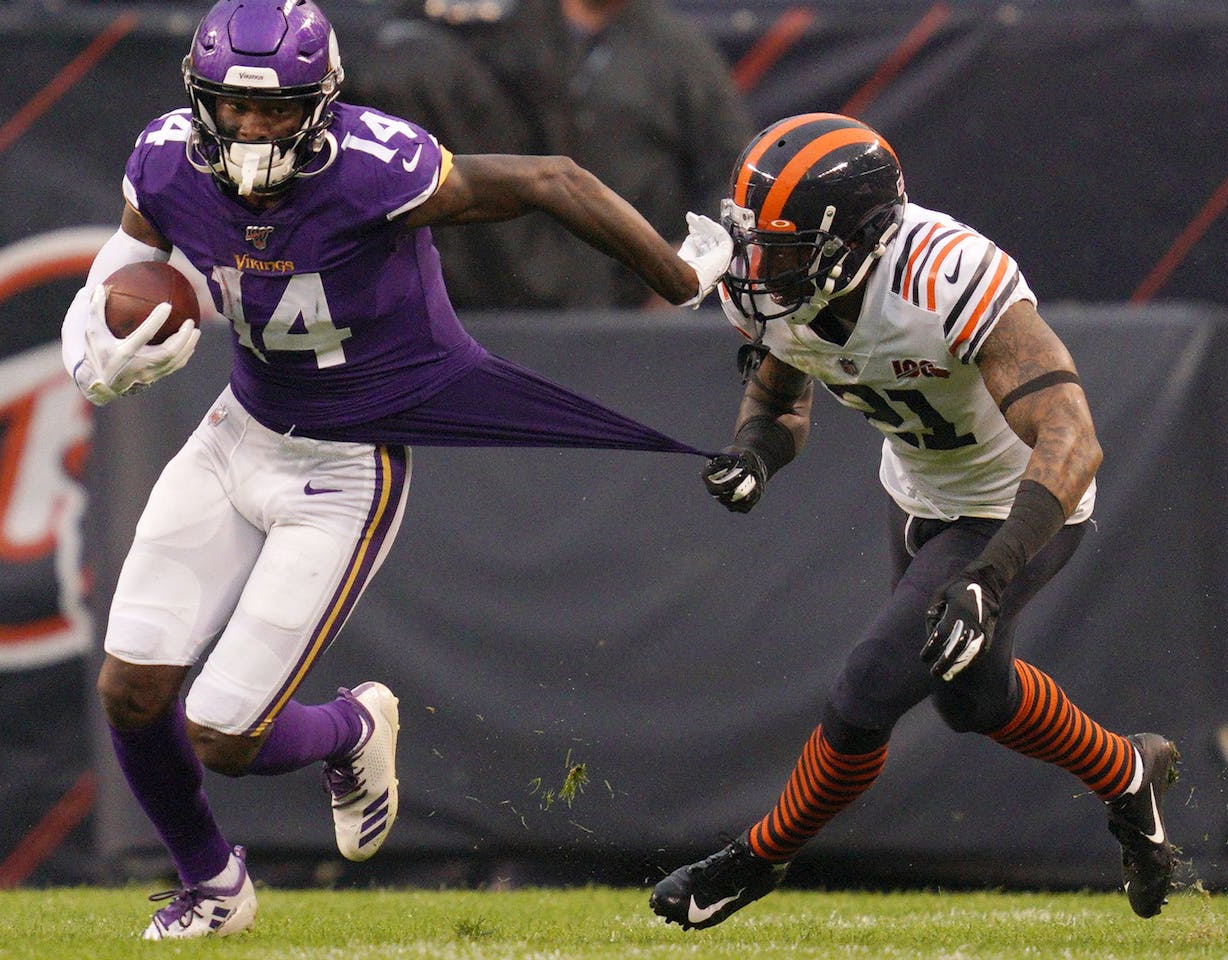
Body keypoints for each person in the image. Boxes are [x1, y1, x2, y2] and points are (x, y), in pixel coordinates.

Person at [58, 0, 731, 940]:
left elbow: (552, 177)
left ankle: (352, 728)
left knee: (223, 734)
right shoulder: (168, 156)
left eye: (277, 108)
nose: (251, 129)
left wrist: (678, 276)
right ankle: (213, 885)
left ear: (323, 102)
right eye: (233, 106)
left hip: (344, 464)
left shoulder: (378, 168)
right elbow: (122, 267)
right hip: (237, 432)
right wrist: (96, 343)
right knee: (130, 691)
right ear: (201, 99)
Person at [648, 113, 1179, 930]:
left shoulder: (947, 275)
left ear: (858, 240)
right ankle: (1129, 775)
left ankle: (754, 859)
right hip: (917, 491)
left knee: (867, 691)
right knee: (974, 698)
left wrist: (989, 575)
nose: (759, 265)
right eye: (757, 240)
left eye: (785, 247)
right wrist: (754, 454)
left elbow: (1073, 441)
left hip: (1017, 500)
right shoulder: (777, 288)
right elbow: (779, 403)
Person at [346, 0, 750, 309]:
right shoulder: (501, 30)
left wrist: (678, 281)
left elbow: (729, 171)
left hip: (627, 286)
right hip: (501, 275)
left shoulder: (678, 50)